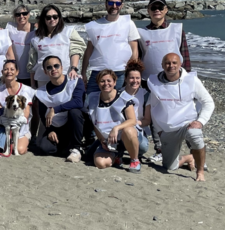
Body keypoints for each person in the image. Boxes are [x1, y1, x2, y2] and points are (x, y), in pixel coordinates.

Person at [145, 53, 215, 182]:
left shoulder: (191, 80)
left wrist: (200, 121)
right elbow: (154, 108)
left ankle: (200, 172)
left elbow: (208, 102)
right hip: (167, 129)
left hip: (186, 124)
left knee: (196, 136)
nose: (171, 66)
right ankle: (188, 158)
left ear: (180, 64)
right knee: (170, 168)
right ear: (162, 65)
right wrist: (159, 130)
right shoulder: (154, 82)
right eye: (167, 63)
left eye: (174, 63)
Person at [81, 0, 139, 94]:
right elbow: (89, 50)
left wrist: (131, 71)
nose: (114, 6)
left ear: (122, 5)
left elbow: (134, 49)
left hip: (120, 73)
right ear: (106, 4)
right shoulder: (94, 26)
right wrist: (83, 72)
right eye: (111, 3)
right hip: (97, 73)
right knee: (91, 102)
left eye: (118, 3)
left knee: (116, 104)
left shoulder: (129, 23)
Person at [87, 70, 142, 173]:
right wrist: (102, 140)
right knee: (100, 164)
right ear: (98, 83)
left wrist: (116, 128)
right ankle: (116, 156)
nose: (106, 84)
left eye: (109, 81)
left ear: (115, 82)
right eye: (102, 81)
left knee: (128, 131)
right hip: (109, 141)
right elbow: (94, 122)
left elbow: (132, 120)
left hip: (126, 136)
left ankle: (134, 160)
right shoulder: (93, 98)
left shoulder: (124, 97)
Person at [34, 55, 87, 162]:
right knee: (43, 148)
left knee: (74, 112)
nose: (53, 69)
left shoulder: (75, 81)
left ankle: (76, 147)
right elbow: (43, 114)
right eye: (49, 67)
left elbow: (78, 102)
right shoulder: (42, 92)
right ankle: (66, 148)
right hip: (57, 126)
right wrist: (50, 130)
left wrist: (55, 109)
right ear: (45, 72)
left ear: (62, 68)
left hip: (74, 124)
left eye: (56, 66)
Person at [27, 4, 85, 89]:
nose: (52, 19)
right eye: (48, 17)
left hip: (65, 76)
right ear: (43, 19)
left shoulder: (69, 31)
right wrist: (32, 85)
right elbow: (32, 62)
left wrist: (74, 68)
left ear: (59, 17)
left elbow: (76, 51)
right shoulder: (36, 37)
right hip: (43, 79)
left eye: (55, 17)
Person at [137, 0, 191, 80]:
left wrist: (188, 76)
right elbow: (138, 58)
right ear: (148, 11)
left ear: (166, 10)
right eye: (153, 8)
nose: (157, 10)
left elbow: (185, 55)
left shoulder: (177, 28)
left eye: (160, 7)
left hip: (175, 79)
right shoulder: (141, 32)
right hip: (149, 80)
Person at [0, 60, 34, 155]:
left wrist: (17, 121)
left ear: (17, 72)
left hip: (21, 127)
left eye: (12, 69)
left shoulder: (26, 90)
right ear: (2, 72)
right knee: (5, 148)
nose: (9, 72)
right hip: (5, 126)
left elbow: (26, 114)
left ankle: (26, 140)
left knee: (19, 150)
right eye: (6, 69)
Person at [119, 60, 151, 159]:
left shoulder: (146, 94)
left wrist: (133, 123)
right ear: (126, 79)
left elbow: (147, 120)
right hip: (119, 129)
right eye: (132, 78)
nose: (135, 81)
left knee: (143, 147)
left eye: (138, 78)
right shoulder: (118, 94)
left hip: (138, 128)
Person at [6, 5, 33, 85]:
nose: (21, 16)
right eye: (18, 14)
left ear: (28, 14)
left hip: (31, 74)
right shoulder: (10, 27)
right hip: (14, 74)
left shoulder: (36, 29)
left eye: (24, 14)